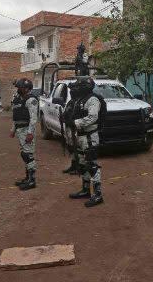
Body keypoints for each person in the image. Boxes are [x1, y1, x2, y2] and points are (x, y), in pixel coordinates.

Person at [66, 78, 105, 208]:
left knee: (92, 165)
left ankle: (98, 194)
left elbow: (93, 117)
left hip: (90, 136)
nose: (76, 88)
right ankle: (86, 190)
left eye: (78, 86)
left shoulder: (93, 99)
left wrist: (76, 123)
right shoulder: (81, 99)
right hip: (80, 135)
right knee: (82, 164)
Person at [10, 78, 39, 191]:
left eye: (20, 87)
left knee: (28, 155)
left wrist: (30, 133)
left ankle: (32, 180)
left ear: (26, 88)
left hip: (27, 129)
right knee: (24, 154)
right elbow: (15, 116)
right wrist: (13, 129)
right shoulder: (18, 99)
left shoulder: (31, 99)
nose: (18, 89)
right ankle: (27, 178)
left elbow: (33, 118)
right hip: (19, 129)